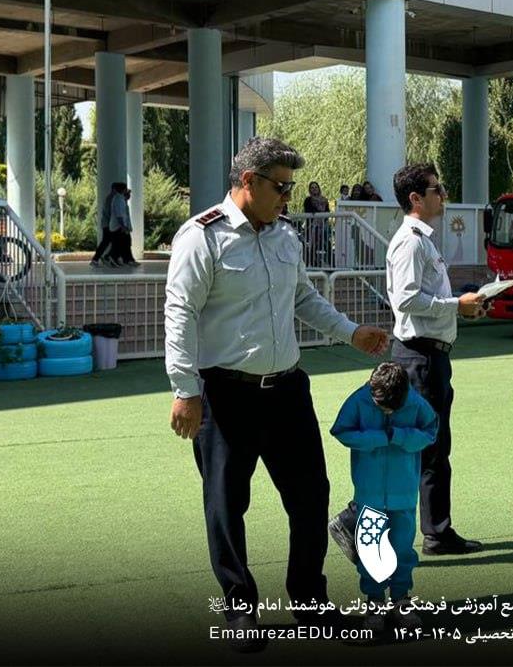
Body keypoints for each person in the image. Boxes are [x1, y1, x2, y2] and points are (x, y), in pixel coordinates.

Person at [164, 137, 390, 652]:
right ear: (249, 181)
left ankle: (310, 603)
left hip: (287, 390)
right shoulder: (202, 237)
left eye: (291, 187)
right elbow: (180, 314)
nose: (289, 198)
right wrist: (185, 390)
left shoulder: (286, 235)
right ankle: (240, 609)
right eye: (281, 187)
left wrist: (351, 332)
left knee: (311, 498)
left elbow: (303, 298)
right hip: (225, 395)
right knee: (226, 506)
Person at [329, 163, 485, 560]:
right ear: (415, 198)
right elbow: (406, 299)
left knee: (428, 446)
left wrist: (461, 308)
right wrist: (456, 305)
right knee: (417, 447)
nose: (443, 195)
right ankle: (356, 519)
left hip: (428, 356)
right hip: (419, 357)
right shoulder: (411, 242)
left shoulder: (422, 241)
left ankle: (436, 531)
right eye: (436, 189)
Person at [330, 362, 438, 635]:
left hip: (404, 493)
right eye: (381, 406)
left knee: (402, 549)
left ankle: (401, 599)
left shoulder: (415, 402)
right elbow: (341, 431)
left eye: (393, 408)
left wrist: (399, 436)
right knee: (371, 550)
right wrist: (379, 438)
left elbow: (430, 431)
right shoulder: (358, 400)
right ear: (372, 391)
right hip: (369, 493)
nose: (387, 411)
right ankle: (375, 602)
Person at [108, 184, 138, 266]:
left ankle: (126, 259)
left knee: (125, 243)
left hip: (120, 226)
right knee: (121, 243)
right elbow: (119, 215)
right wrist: (123, 226)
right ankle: (113, 257)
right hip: (118, 226)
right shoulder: (118, 199)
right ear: (123, 189)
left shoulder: (120, 199)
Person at [302, 182, 331, 268]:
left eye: (316, 187)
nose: (314, 189)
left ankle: (331, 263)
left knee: (327, 244)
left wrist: (322, 218)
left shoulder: (324, 200)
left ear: (319, 188)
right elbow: (308, 211)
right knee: (312, 245)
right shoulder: (308, 200)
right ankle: (312, 263)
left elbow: (327, 212)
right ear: (310, 190)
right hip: (312, 226)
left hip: (323, 226)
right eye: (312, 187)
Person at [89, 184, 118, 267]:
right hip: (108, 224)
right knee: (107, 242)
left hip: (108, 224)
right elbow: (109, 213)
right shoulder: (110, 199)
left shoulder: (111, 198)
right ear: (113, 189)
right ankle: (98, 259)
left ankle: (102, 258)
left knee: (108, 242)